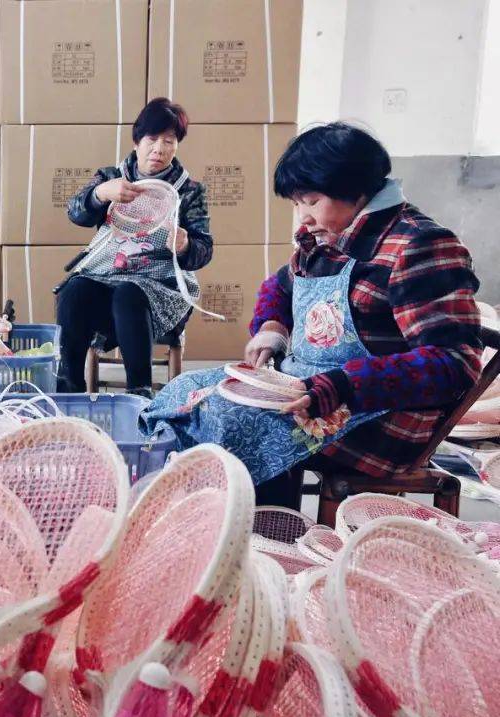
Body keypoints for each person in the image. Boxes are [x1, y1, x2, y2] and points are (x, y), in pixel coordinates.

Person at [140, 122, 482, 489]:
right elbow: (280, 286)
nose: (303, 216)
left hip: (378, 417)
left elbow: (454, 363)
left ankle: (263, 520)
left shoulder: (420, 246)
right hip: (304, 385)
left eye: (312, 201)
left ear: (355, 190)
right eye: (297, 203)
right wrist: (272, 327)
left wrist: (343, 385)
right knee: (182, 393)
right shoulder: (324, 236)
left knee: (229, 420)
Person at [55, 97, 214, 397]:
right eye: (152, 139)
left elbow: (204, 250)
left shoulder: (190, 191)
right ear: (136, 141)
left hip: (160, 289)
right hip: (107, 277)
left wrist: (185, 244)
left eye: (169, 141)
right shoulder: (110, 178)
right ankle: (68, 390)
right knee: (74, 291)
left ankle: (139, 394)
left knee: (129, 294)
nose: (159, 149)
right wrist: (101, 193)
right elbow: (76, 214)